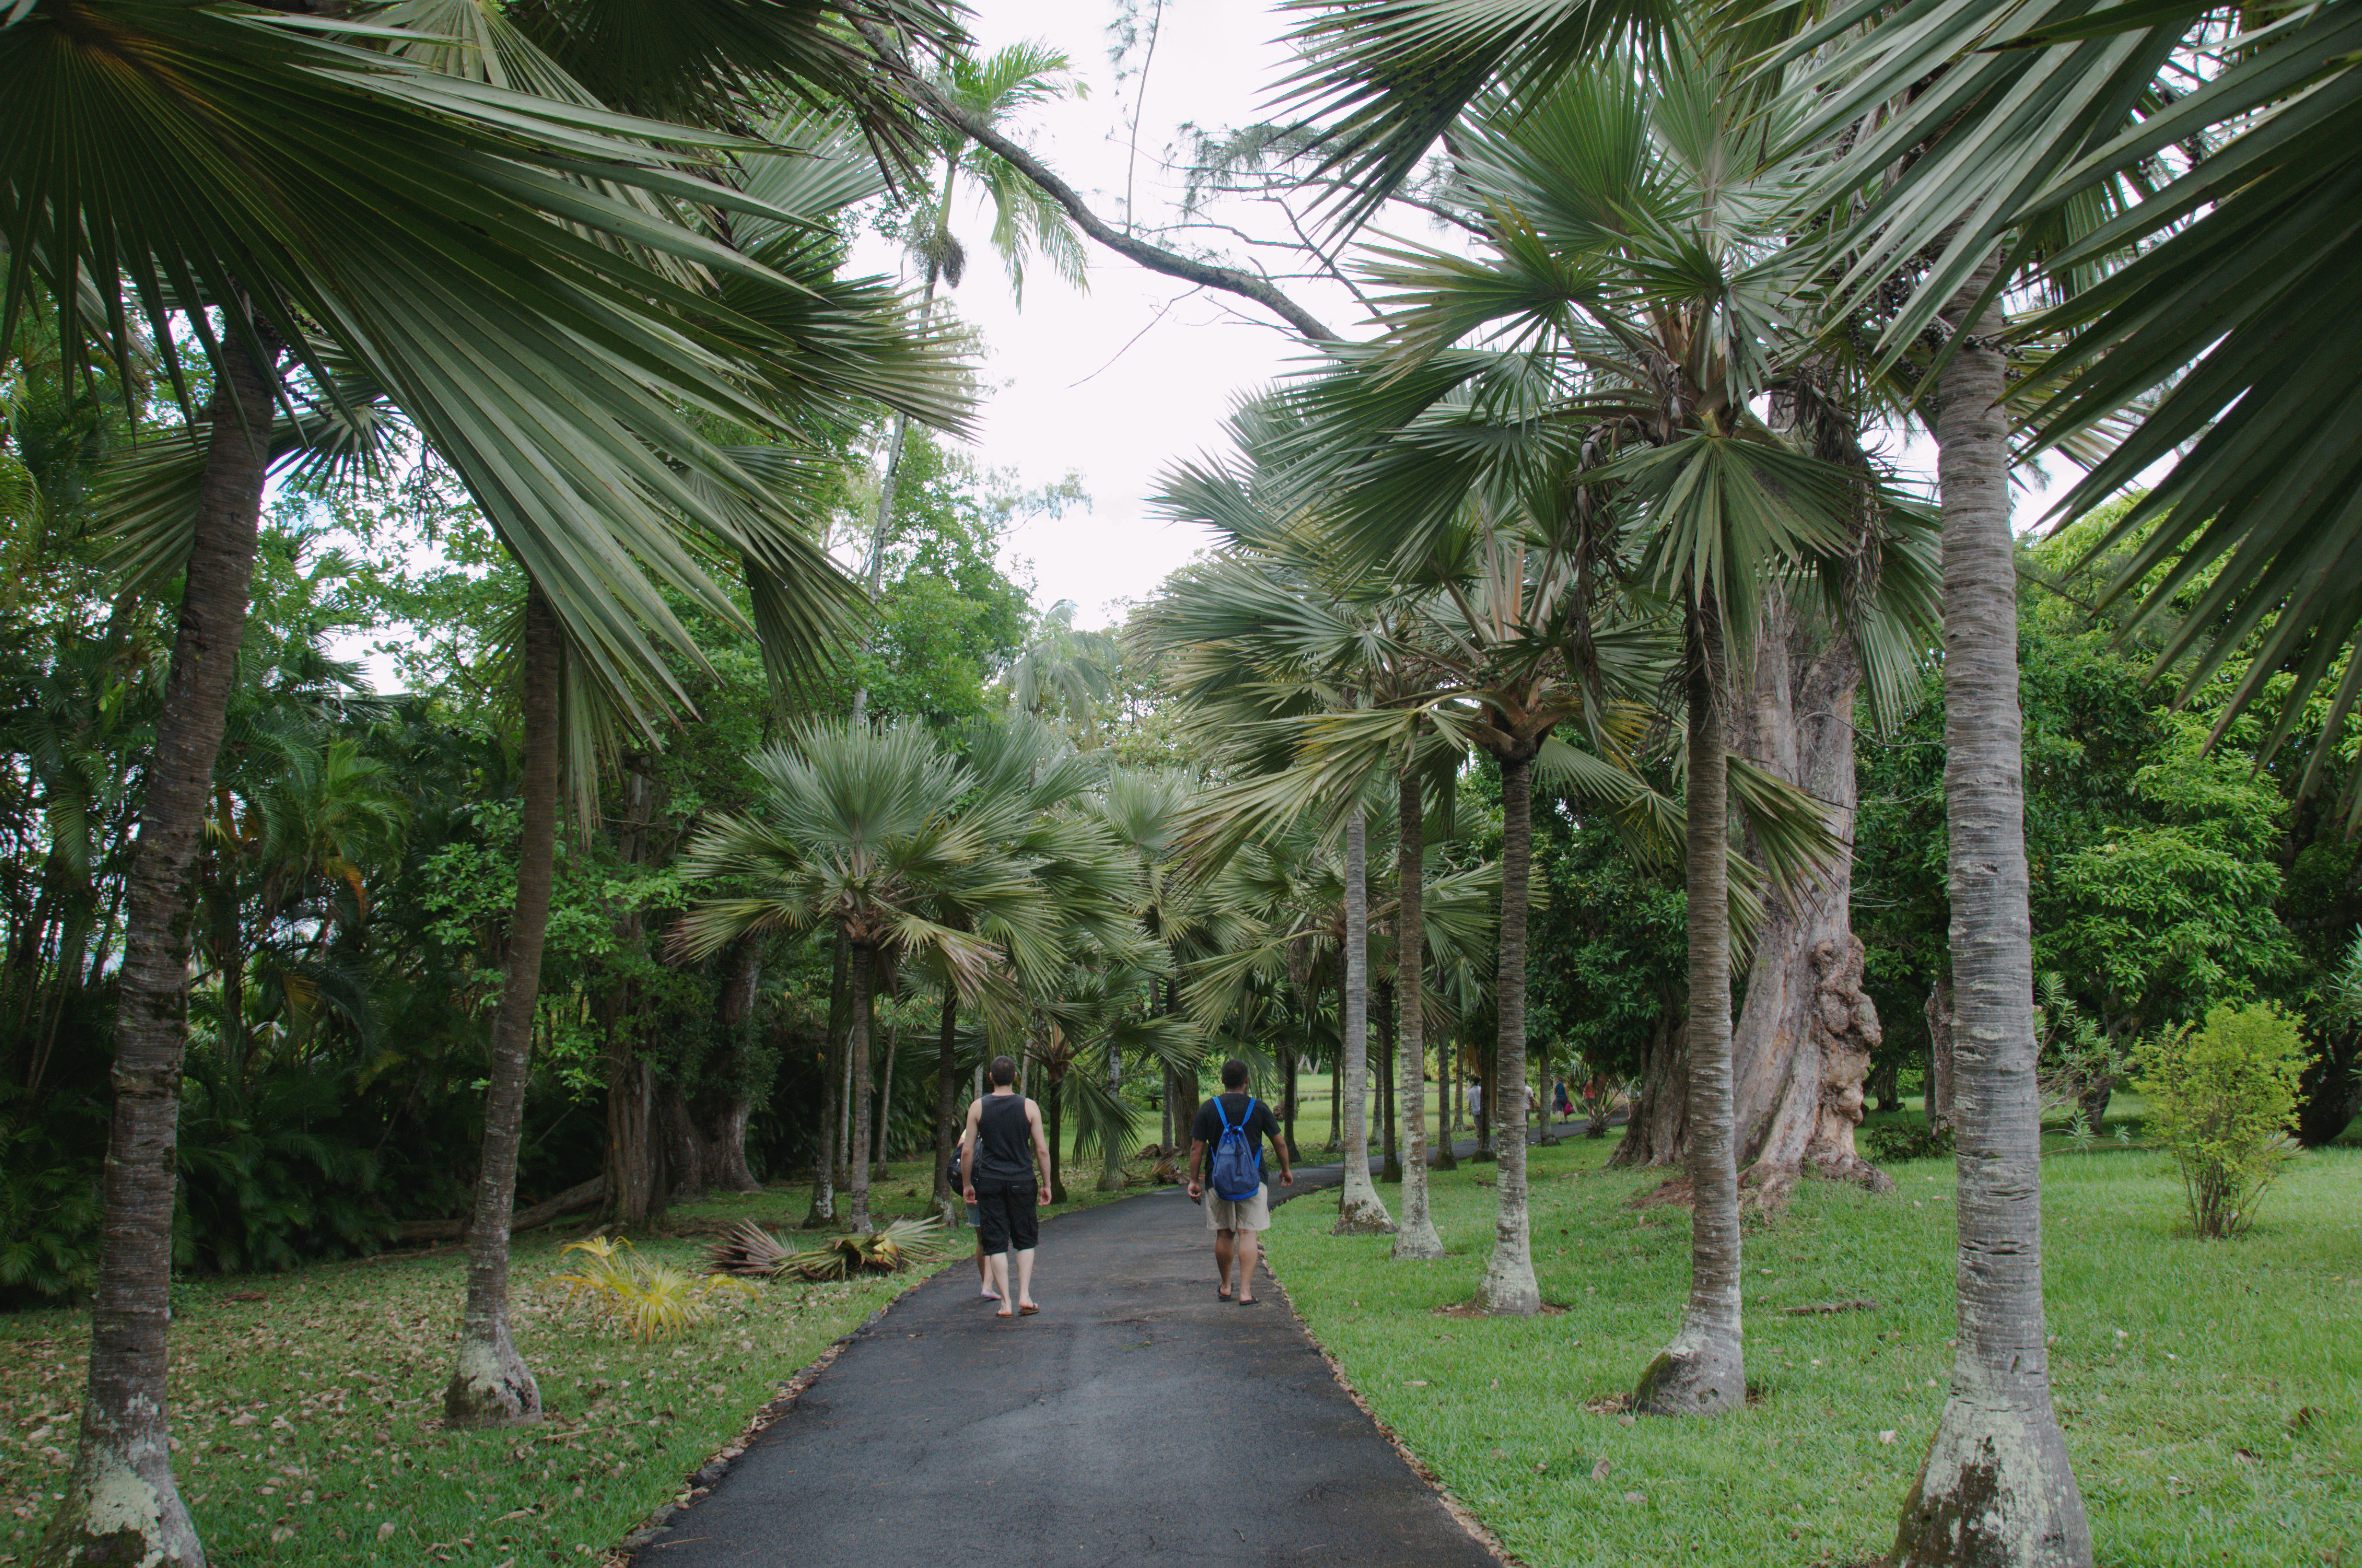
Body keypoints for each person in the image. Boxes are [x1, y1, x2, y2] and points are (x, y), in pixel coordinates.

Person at [1186, 1058, 1294, 1306]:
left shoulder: (1209, 1108)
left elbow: (1196, 1147)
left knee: (1225, 1234)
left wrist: (1194, 1181)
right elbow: (1279, 1143)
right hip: (1253, 1180)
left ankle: (1226, 1286)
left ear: (1222, 1080)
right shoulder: (1259, 1108)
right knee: (1248, 1233)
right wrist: (1286, 1170)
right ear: (1247, 1080)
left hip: (1218, 1181)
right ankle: (1246, 1292)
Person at [957, 1054, 1053, 1319]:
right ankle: (1025, 1296)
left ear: (991, 1078)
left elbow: (967, 1151)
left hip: (990, 1182)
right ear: (1015, 1077)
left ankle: (1006, 1304)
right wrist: (1047, 1184)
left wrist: (967, 1184)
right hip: (1022, 1181)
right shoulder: (1029, 1107)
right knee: (1025, 1240)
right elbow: (1042, 1150)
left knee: (996, 1242)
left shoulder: (978, 1107)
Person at [947, 1143, 996, 1302]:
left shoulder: (969, 1131)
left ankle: (986, 1284)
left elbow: (962, 1152)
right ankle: (988, 1285)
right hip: (992, 1182)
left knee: (982, 1238)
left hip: (972, 1183)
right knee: (995, 1236)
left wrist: (966, 1184)